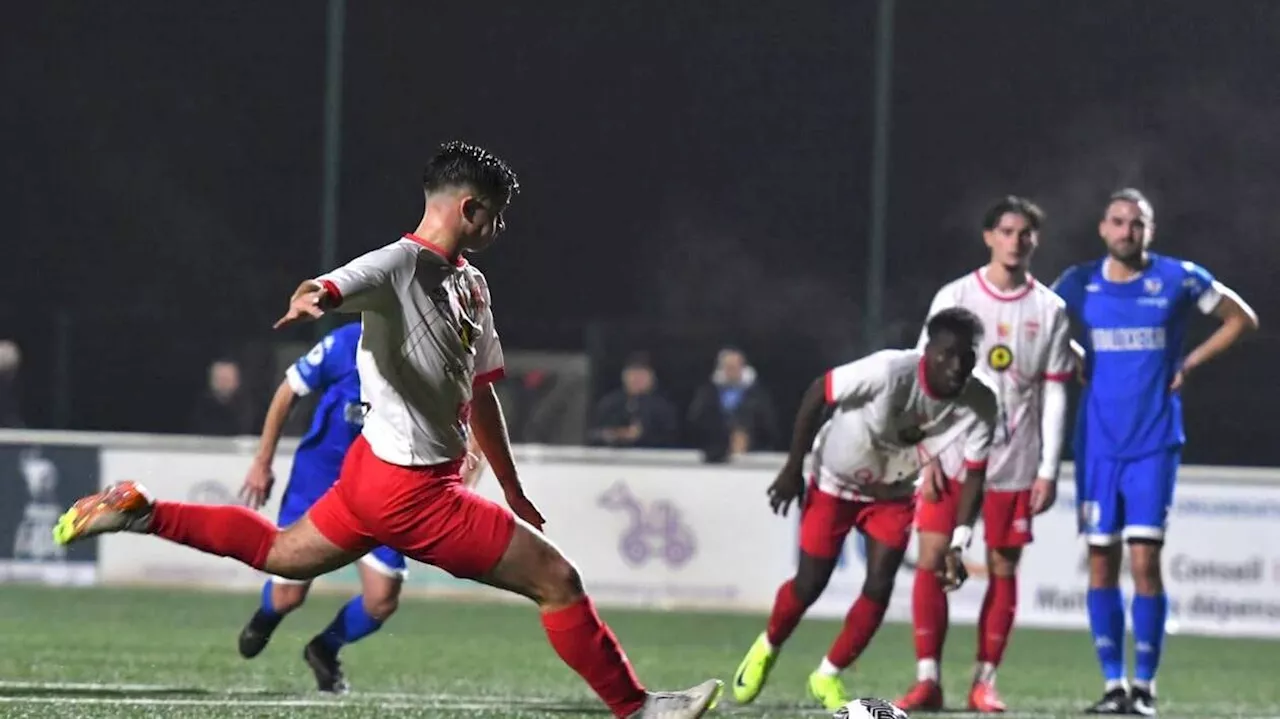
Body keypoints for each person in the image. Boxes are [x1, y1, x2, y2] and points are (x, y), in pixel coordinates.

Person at [52, 141, 721, 719]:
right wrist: (312, 295)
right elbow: (338, 283)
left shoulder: (473, 285)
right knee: (559, 581)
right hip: (414, 495)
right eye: (499, 213)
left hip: (373, 474)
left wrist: (512, 488)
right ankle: (639, 707)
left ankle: (143, 511)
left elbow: (483, 395)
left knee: (283, 554)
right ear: (469, 209)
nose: (503, 226)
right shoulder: (398, 265)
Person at [1052, 188, 1258, 716]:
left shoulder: (1178, 278)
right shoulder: (1079, 283)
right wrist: (1074, 354)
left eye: (1137, 224)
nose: (1127, 232)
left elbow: (1242, 318)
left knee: (1145, 561)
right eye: (1119, 222)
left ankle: (1144, 688)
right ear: (1104, 229)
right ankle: (1113, 685)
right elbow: (1040, 324)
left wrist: (1188, 363)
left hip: (1153, 444)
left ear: (1150, 230)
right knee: (1100, 562)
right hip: (1097, 445)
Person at [731, 307, 998, 712]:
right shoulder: (889, 372)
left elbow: (975, 476)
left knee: (879, 584)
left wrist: (958, 545)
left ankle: (827, 675)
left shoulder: (981, 402)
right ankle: (768, 645)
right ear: (928, 351)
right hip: (835, 482)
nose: (957, 365)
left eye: (967, 356)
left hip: (893, 494)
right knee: (809, 584)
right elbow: (820, 390)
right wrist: (792, 469)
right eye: (948, 353)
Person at [897, 197, 1073, 713]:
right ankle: (927, 679)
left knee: (1002, 564)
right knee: (931, 559)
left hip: (1014, 458)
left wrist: (1048, 468)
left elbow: (1057, 390)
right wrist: (926, 451)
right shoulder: (954, 296)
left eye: (1025, 233)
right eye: (1006, 231)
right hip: (950, 455)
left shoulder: (1050, 310)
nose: (1015, 241)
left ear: (1035, 242)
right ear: (988, 236)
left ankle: (984, 682)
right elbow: (921, 373)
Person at [235, 321, 403, 693]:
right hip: (319, 480)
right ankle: (269, 613)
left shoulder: (428, 353)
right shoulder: (346, 343)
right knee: (288, 595)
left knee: (382, 600)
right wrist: (263, 461)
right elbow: (287, 391)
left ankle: (324, 648)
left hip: (380, 487)